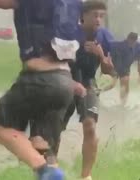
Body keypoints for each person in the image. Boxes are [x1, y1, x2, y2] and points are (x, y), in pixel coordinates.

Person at [0, 0, 84, 179]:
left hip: (39, 79)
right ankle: (47, 166)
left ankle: (46, 170)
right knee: (41, 146)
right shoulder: (73, 3)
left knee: (1, 127)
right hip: (65, 82)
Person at [62, 1, 115, 180]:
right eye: (95, 15)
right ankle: (48, 168)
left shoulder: (105, 37)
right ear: (82, 17)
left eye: (102, 16)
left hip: (89, 84)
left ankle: (86, 176)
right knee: (54, 129)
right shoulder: (69, 33)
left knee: (90, 126)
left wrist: (100, 55)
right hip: (65, 82)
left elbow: (110, 71)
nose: (98, 20)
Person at [101, 32, 139, 106]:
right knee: (111, 85)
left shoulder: (137, 46)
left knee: (125, 85)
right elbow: (109, 56)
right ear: (128, 39)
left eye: (134, 41)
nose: (132, 43)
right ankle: (98, 92)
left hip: (126, 68)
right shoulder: (118, 45)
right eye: (131, 41)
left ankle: (123, 104)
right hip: (114, 67)